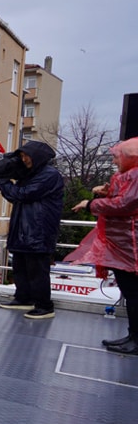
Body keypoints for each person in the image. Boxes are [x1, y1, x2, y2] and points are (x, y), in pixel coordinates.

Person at [71, 137, 138, 354]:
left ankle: (136, 340)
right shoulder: (129, 175)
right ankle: (133, 335)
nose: (114, 161)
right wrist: (104, 194)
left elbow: (126, 204)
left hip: (131, 246)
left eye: (117, 157)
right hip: (123, 245)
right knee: (130, 292)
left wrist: (92, 203)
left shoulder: (136, 175)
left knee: (134, 293)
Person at [0, 140, 65, 319]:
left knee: (37, 270)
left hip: (38, 232)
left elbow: (21, 194)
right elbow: (15, 195)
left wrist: (1, 179)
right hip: (24, 229)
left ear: (37, 157)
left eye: (26, 156)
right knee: (20, 267)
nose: (24, 159)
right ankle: (23, 298)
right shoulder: (30, 174)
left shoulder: (49, 175)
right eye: (22, 156)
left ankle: (44, 306)